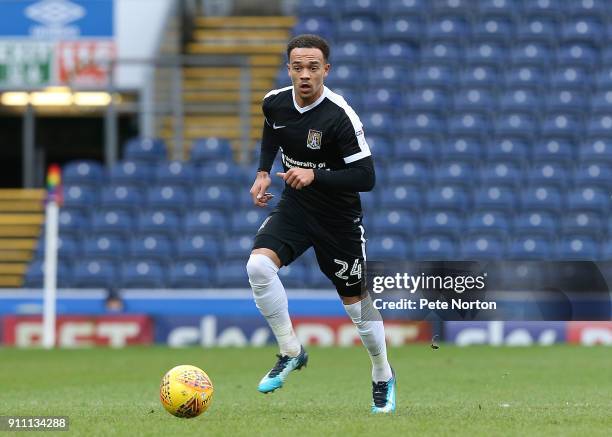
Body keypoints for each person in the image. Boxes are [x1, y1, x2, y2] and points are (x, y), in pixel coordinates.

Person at [246, 34, 395, 413]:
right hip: (296, 208)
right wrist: (263, 171)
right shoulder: (274, 103)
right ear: (289, 69)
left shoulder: (340, 115)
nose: (305, 74)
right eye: (298, 67)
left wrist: (317, 175)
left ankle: (382, 374)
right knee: (258, 266)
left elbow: (366, 177)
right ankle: (290, 351)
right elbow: (271, 129)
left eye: (313, 67)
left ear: (326, 70)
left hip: (338, 219)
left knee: (357, 307)